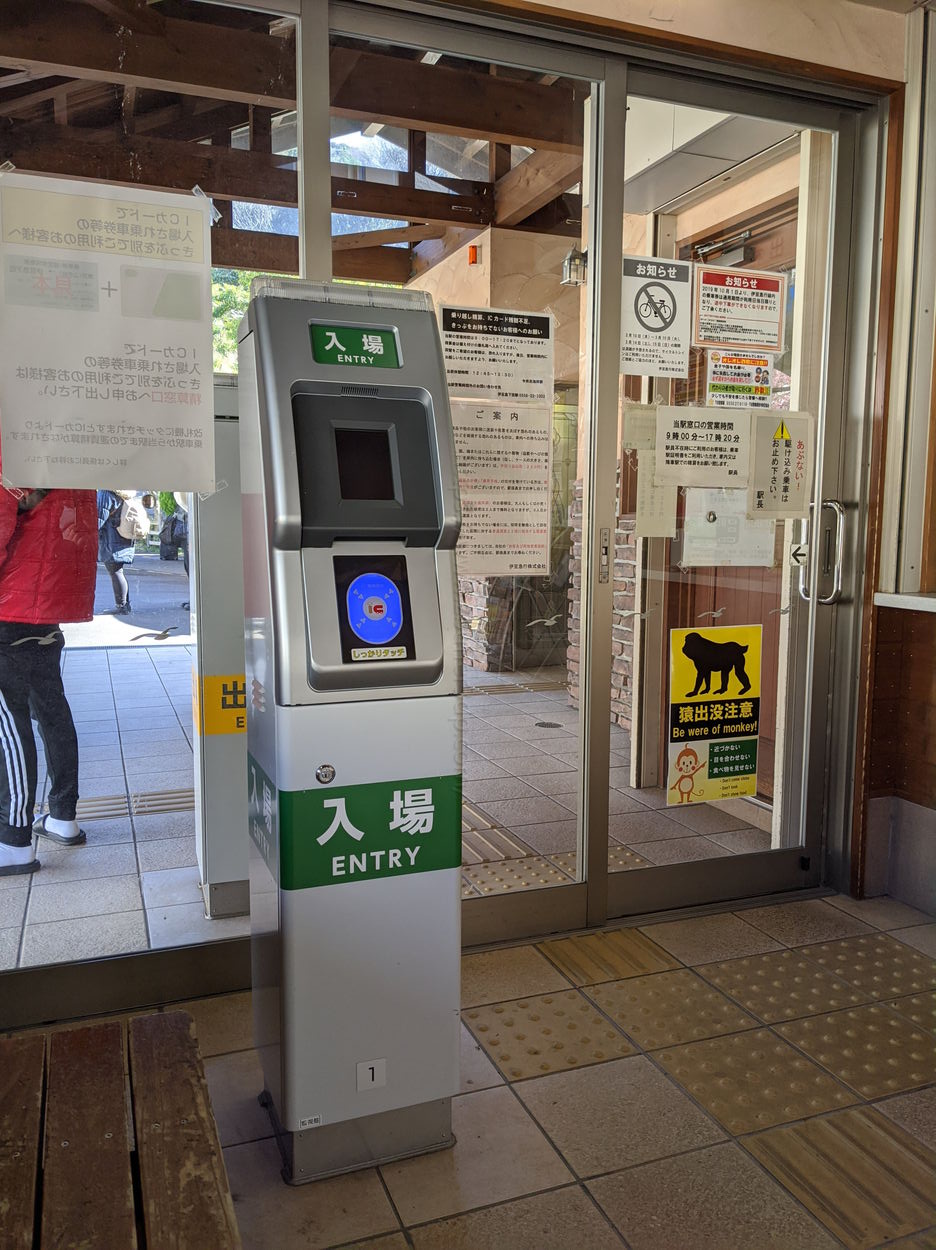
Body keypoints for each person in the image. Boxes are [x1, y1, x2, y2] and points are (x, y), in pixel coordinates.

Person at [0, 466, 98, 876]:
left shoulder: (16, 440)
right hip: (43, 604)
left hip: (10, 602)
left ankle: (14, 840)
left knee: (9, 722)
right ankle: (62, 817)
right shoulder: (73, 449)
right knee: (51, 710)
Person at [98, 489, 144, 615]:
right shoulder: (125, 494)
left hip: (111, 538)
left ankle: (122, 605)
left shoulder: (106, 493)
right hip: (123, 537)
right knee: (118, 571)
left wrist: (89, 532)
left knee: (116, 572)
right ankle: (125, 604)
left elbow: (100, 517)